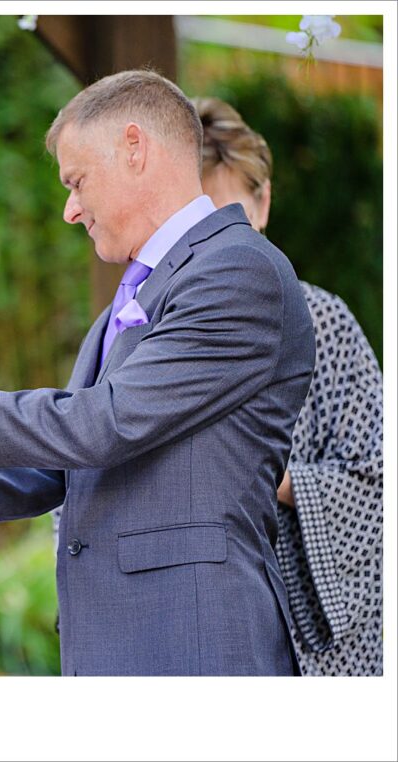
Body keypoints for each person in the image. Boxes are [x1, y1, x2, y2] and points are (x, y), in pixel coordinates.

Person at [0, 70, 316, 676]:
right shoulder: (132, 298)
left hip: (192, 642)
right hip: (116, 644)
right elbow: (58, 467)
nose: (69, 210)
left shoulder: (237, 270)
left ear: (134, 148)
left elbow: (101, 425)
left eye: (77, 182)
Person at [193, 96, 383, 675]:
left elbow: (377, 475)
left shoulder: (324, 322)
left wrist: (262, 475)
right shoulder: (147, 332)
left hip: (314, 634)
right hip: (198, 614)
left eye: (232, 220)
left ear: (264, 203)